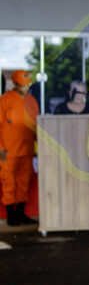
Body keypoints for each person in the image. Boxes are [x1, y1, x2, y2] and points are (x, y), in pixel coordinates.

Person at [0, 70, 39, 226]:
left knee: (24, 182)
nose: (25, 88)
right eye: (22, 85)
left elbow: (36, 126)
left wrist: (40, 146)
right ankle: (11, 215)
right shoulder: (5, 100)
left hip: (27, 149)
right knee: (8, 181)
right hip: (8, 150)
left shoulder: (32, 102)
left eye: (27, 85)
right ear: (15, 84)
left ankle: (21, 213)